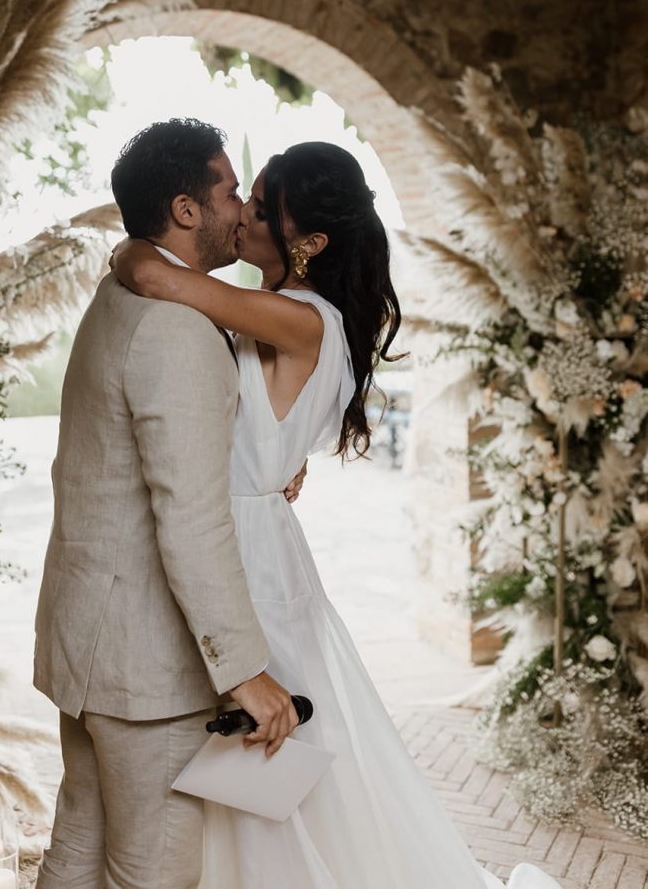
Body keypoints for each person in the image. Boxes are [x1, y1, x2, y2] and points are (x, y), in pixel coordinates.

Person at [111, 140, 563, 889]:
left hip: (245, 555)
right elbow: (266, 422)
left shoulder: (297, 316)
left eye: (261, 205)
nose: (244, 213)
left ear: (309, 241)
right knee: (269, 761)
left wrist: (129, 245)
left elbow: (152, 271)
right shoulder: (306, 317)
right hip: (259, 540)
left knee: (260, 754)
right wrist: (279, 463)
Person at [33, 119, 300, 889]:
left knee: (78, 848)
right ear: (185, 209)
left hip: (89, 641)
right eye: (227, 189)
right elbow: (190, 517)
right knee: (153, 873)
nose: (241, 204)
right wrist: (244, 668)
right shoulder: (177, 328)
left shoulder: (122, 290)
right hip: (145, 667)